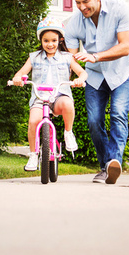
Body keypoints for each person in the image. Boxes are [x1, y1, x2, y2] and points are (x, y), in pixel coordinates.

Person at [64, 0, 129, 184]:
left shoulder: (120, 9)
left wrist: (96, 56)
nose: (82, 7)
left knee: (118, 114)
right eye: (78, 3)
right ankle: (106, 167)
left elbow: (125, 46)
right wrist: (66, 81)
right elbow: (71, 58)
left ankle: (114, 160)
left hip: (122, 70)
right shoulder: (74, 23)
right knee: (94, 121)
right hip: (95, 75)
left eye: (86, 1)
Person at [11, 17, 88, 172]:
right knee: (33, 121)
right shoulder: (34, 57)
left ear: (60, 40)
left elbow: (82, 72)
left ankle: (68, 132)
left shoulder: (67, 57)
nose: (50, 44)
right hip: (40, 98)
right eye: (46, 41)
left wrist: (80, 79)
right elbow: (21, 72)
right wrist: (17, 78)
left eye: (54, 40)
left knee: (68, 104)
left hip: (59, 97)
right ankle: (33, 154)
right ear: (41, 40)